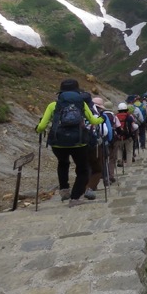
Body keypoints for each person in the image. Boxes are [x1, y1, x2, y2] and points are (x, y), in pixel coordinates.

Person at [35, 78, 104, 207]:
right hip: (79, 142)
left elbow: (42, 125)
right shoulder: (82, 104)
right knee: (82, 169)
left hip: (58, 142)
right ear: (77, 91)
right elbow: (94, 121)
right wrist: (101, 119)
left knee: (63, 163)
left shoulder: (53, 105)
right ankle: (75, 197)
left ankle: (64, 189)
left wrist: (38, 129)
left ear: (60, 92)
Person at [84, 96, 112, 199]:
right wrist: (108, 140)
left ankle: (83, 187)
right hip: (93, 143)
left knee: (84, 166)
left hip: (76, 142)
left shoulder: (77, 111)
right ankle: (92, 187)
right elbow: (105, 131)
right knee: (98, 165)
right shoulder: (99, 114)